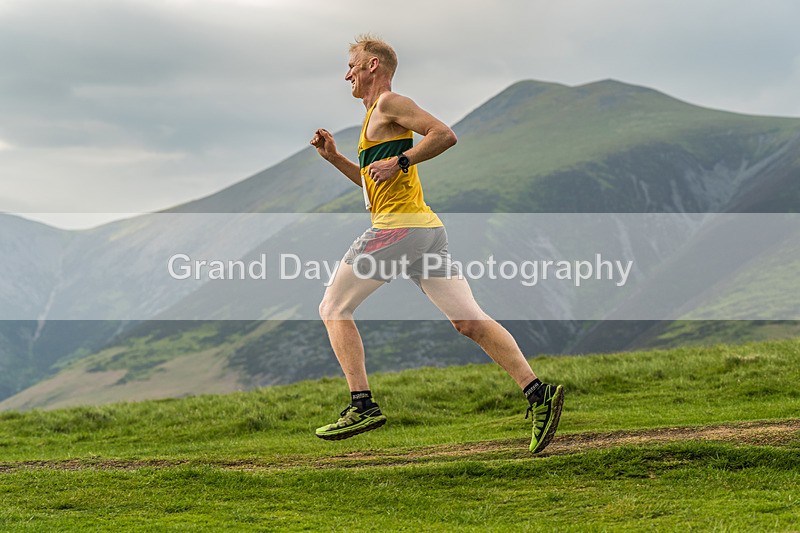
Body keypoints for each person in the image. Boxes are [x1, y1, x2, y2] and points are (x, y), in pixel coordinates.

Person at [310, 34, 564, 453]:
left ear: (373, 66)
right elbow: (374, 182)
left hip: (398, 230)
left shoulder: (390, 103)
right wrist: (336, 159)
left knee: (333, 307)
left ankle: (362, 404)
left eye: (352, 65)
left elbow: (443, 134)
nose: (347, 74)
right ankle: (539, 394)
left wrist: (403, 160)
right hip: (426, 232)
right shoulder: (373, 118)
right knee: (468, 321)